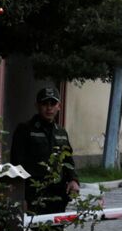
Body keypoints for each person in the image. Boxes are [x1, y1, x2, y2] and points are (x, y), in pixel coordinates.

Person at [8, 86, 80, 215]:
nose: (49, 108)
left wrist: (73, 180)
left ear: (59, 106)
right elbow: (17, 164)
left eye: (53, 104)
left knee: (57, 227)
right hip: (34, 195)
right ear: (37, 106)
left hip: (57, 195)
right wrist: (20, 196)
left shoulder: (61, 132)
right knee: (34, 227)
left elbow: (68, 161)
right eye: (45, 104)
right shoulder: (25, 129)